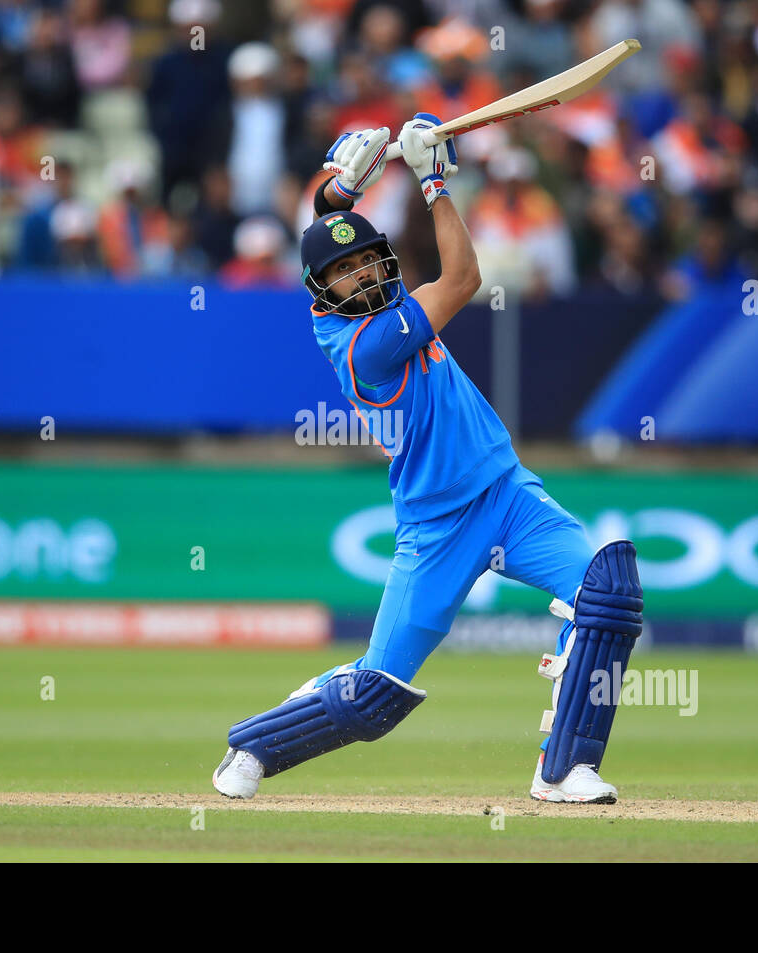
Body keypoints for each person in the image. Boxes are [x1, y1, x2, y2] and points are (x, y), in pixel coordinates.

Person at [212, 116, 645, 804]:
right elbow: (465, 276)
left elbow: (328, 232)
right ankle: (258, 740)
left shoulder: (364, 299)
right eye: (343, 272)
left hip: (507, 494)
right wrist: (434, 180)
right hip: (437, 526)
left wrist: (338, 186)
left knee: (608, 592)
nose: (360, 273)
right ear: (322, 290)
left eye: (366, 260)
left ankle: (563, 768)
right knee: (373, 698)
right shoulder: (367, 345)